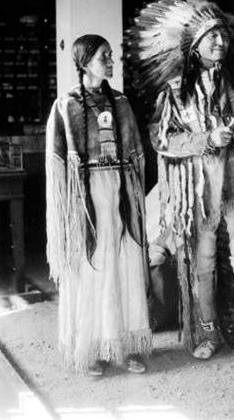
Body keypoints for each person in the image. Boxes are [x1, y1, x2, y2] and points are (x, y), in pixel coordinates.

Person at [127, 0, 234, 370]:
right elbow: (162, 139)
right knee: (202, 262)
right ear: (195, 45)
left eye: (223, 35)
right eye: (212, 36)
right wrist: (204, 140)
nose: (220, 41)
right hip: (199, 192)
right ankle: (208, 333)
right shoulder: (176, 91)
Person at [46, 34, 152, 377]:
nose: (111, 61)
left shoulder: (120, 102)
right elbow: (56, 161)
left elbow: (136, 152)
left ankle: (124, 345)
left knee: (124, 265)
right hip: (86, 197)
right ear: (85, 62)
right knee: (93, 269)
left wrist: (133, 194)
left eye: (112, 55)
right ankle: (91, 348)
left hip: (119, 192)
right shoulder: (66, 105)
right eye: (104, 56)